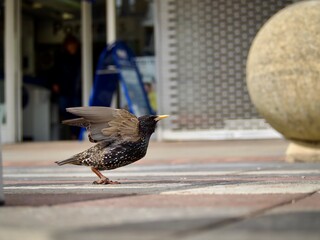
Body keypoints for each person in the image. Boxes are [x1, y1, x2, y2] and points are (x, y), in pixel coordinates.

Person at [52, 34, 81, 139]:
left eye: (73, 45)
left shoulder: (81, 58)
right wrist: (55, 83)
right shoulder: (61, 58)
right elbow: (55, 72)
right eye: (70, 45)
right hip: (64, 90)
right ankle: (69, 133)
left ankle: (75, 134)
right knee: (64, 111)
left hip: (76, 90)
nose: (72, 47)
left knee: (77, 112)